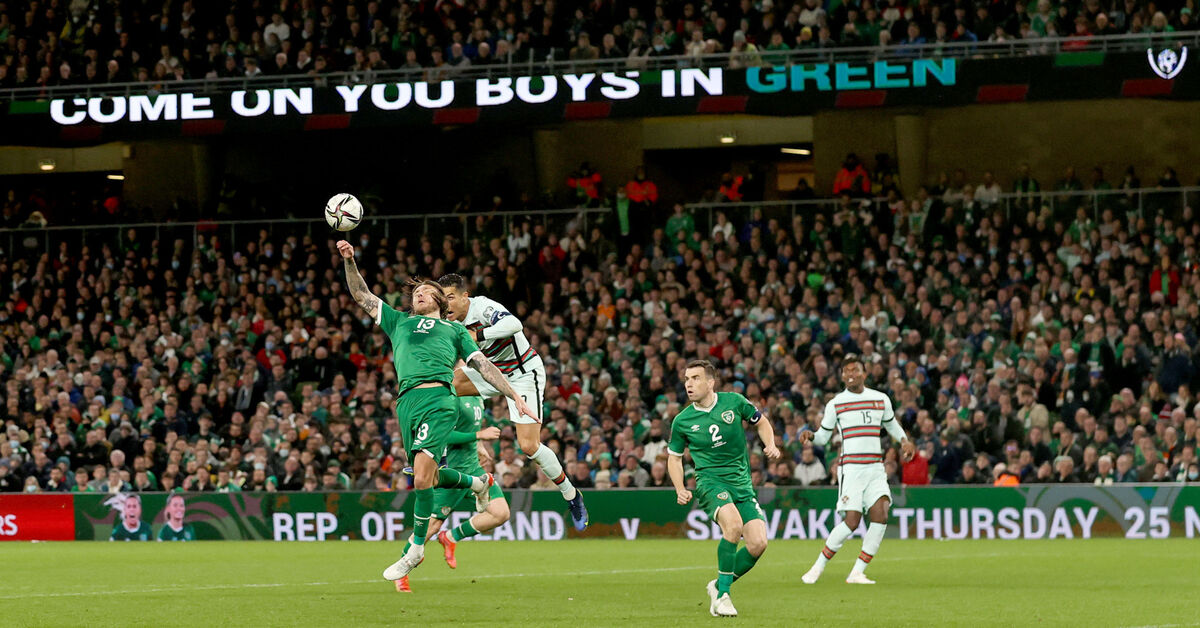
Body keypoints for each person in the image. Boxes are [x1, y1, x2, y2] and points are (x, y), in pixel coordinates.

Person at [337, 240, 534, 583]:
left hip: (439, 399)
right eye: (417, 293)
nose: (420, 295)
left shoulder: (455, 330)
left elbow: (483, 365)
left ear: (441, 302)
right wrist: (350, 261)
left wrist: (513, 393)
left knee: (424, 474)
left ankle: (415, 548)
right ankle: (476, 483)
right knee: (421, 475)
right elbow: (362, 296)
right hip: (407, 402)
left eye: (428, 292)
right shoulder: (399, 323)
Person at [438, 273, 589, 530]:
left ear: (465, 297)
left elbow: (514, 325)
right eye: (442, 299)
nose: (446, 304)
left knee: (529, 446)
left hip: (523, 374)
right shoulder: (447, 321)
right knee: (441, 388)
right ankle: (437, 459)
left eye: (451, 297)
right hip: (489, 373)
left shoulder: (483, 307)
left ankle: (571, 494)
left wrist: (478, 335)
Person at [667, 360, 781, 618]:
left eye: (695, 378)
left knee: (758, 544)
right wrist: (679, 488)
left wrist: (770, 444)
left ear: (710, 382)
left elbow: (761, 422)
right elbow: (674, 457)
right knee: (733, 526)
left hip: (741, 483)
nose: (689, 383)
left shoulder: (734, 402)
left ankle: (717, 585)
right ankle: (723, 596)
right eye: (687, 379)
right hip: (710, 483)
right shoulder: (682, 421)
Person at [800, 354, 915, 585]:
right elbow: (823, 436)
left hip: (875, 467)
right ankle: (818, 566)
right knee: (852, 521)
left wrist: (904, 440)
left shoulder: (880, 399)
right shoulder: (836, 403)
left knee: (881, 514)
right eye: (846, 371)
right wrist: (811, 436)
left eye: (855, 370)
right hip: (851, 468)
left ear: (864, 373)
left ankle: (857, 572)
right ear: (842, 375)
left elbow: (891, 424)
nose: (850, 374)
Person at [396, 397, 509, 592]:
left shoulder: (477, 398)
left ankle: (450, 537)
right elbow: (444, 436)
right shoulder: (450, 399)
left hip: (474, 468)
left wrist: (479, 445)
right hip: (453, 475)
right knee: (430, 527)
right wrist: (478, 435)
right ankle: (402, 572)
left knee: (501, 513)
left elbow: (470, 426)